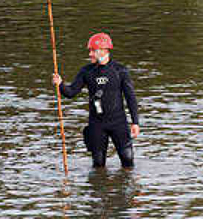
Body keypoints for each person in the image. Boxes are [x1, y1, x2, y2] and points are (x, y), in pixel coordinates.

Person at [51, 32, 141, 168]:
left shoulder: (120, 70)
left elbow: (130, 97)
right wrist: (60, 84)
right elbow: (71, 93)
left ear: (104, 51)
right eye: (90, 51)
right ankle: (99, 187)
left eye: (93, 50)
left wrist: (135, 122)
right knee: (98, 164)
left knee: (128, 161)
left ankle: (127, 185)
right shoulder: (86, 71)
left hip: (119, 123)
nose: (90, 54)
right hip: (96, 124)